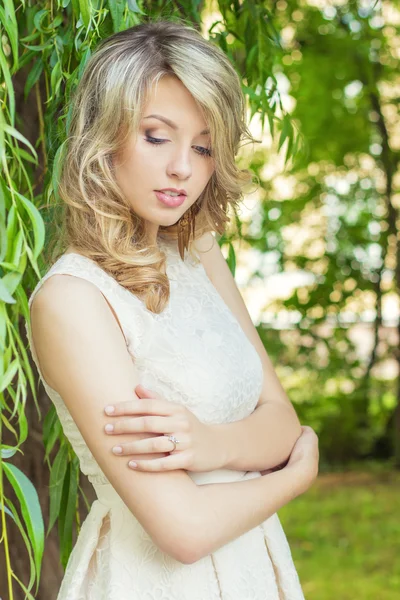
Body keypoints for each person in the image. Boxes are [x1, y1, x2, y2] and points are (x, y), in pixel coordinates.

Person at [25, 19, 319, 600]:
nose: (184, 167)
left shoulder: (198, 251)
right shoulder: (72, 300)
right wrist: (297, 476)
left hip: (253, 567)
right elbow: (181, 528)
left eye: (204, 145)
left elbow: (282, 417)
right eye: (157, 136)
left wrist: (210, 444)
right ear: (103, 138)